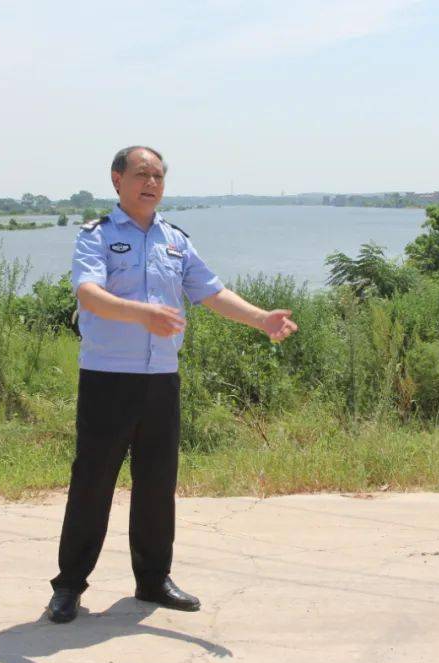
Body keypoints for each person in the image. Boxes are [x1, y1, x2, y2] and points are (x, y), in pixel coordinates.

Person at [47, 145, 298, 623]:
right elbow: (88, 294)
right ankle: (69, 586)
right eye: (142, 174)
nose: (152, 183)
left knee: (157, 486)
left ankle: (153, 579)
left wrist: (261, 318)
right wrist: (142, 312)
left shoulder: (175, 240)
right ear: (117, 179)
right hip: (107, 378)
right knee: (92, 485)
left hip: (161, 379)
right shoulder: (96, 236)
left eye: (159, 176)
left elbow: (211, 291)